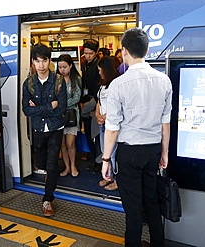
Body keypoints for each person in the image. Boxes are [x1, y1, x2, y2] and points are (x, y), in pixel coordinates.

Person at [101, 28, 172, 247]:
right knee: (151, 201)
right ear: (147, 50)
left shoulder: (117, 85)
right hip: (152, 151)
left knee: (133, 208)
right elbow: (165, 122)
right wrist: (164, 153)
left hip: (129, 153)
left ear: (124, 51)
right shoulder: (164, 80)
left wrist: (105, 160)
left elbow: (112, 128)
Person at [22, 44, 67, 217]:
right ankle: (48, 173)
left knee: (52, 164)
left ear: (49, 61)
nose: (41, 65)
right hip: (38, 128)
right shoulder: (29, 83)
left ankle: (48, 199)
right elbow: (26, 109)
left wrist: (39, 107)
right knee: (40, 163)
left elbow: (61, 108)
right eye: (37, 61)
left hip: (56, 128)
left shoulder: (58, 81)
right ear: (33, 62)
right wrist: (50, 106)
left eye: (44, 60)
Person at [95, 56, 120, 191]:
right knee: (105, 151)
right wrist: (98, 115)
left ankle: (116, 179)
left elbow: (117, 105)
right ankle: (108, 175)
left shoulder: (116, 85)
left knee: (113, 152)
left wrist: (105, 116)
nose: (99, 73)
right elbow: (99, 101)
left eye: (100, 70)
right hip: (103, 123)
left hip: (112, 124)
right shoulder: (103, 85)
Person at [56, 54, 81, 178]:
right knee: (62, 144)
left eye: (64, 67)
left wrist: (61, 104)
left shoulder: (76, 79)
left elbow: (77, 97)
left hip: (71, 115)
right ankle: (66, 166)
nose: (62, 70)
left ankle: (73, 166)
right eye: (60, 67)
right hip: (58, 117)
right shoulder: (55, 80)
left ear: (70, 66)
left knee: (71, 143)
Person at [81, 39, 101, 171]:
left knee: (96, 136)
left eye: (90, 53)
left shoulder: (99, 65)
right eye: (85, 53)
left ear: (96, 53)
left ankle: (98, 163)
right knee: (88, 134)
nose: (87, 56)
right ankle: (94, 160)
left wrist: (94, 108)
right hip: (85, 101)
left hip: (95, 103)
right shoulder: (84, 64)